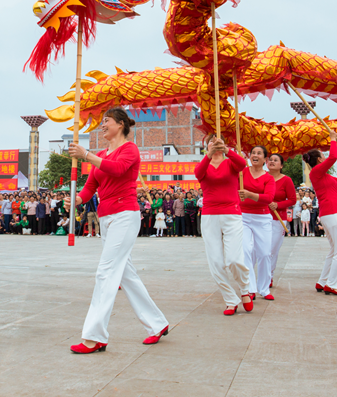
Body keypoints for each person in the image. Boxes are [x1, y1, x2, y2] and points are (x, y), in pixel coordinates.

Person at [66, 107, 169, 354]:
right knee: (125, 275)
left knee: (106, 272)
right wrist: (77, 200)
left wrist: (87, 155)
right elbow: (91, 187)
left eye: (107, 121)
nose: (102, 125)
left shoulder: (130, 150)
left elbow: (118, 169)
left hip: (125, 215)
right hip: (106, 218)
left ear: (121, 124)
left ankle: (94, 336)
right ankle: (157, 324)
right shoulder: (101, 154)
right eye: (102, 122)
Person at [194, 136, 251, 315]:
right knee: (216, 262)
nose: (215, 144)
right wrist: (209, 154)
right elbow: (198, 173)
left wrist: (227, 151)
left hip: (232, 214)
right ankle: (230, 299)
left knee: (234, 259)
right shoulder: (203, 165)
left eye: (219, 141)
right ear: (206, 146)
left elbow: (242, 165)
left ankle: (244, 288)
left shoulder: (231, 163)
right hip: (210, 215)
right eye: (212, 142)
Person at [304, 133, 337, 296]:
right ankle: (333, 284)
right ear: (319, 159)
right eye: (323, 155)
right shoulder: (316, 172)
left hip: (332, 213)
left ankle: (323, 281)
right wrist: (332, 139)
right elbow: (333, 157)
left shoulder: (325, 176)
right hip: (332, 212)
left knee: (334, 249)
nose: (325, 157)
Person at [239, 145, 276, 300]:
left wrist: (249, 194)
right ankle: (250, 288)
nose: (255, 155)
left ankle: (264, 288)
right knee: (246, 250)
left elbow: (268, 198)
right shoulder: (242, 173)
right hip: (243, 217)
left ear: (264, 159)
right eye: (253, 153)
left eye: (259, 153)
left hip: (262, 218)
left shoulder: (268, 178)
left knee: (265, 253)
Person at [266, 154, 295, 289]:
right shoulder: (262, 177)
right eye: (270, 160)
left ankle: (269, 276)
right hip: (261, 217)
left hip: (278, 219)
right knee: (258, 250)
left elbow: (292, 200)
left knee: (272, 250)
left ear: (281, 165)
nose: (272, 162)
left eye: (275, 160)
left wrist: (278, 205)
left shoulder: (286, 180)